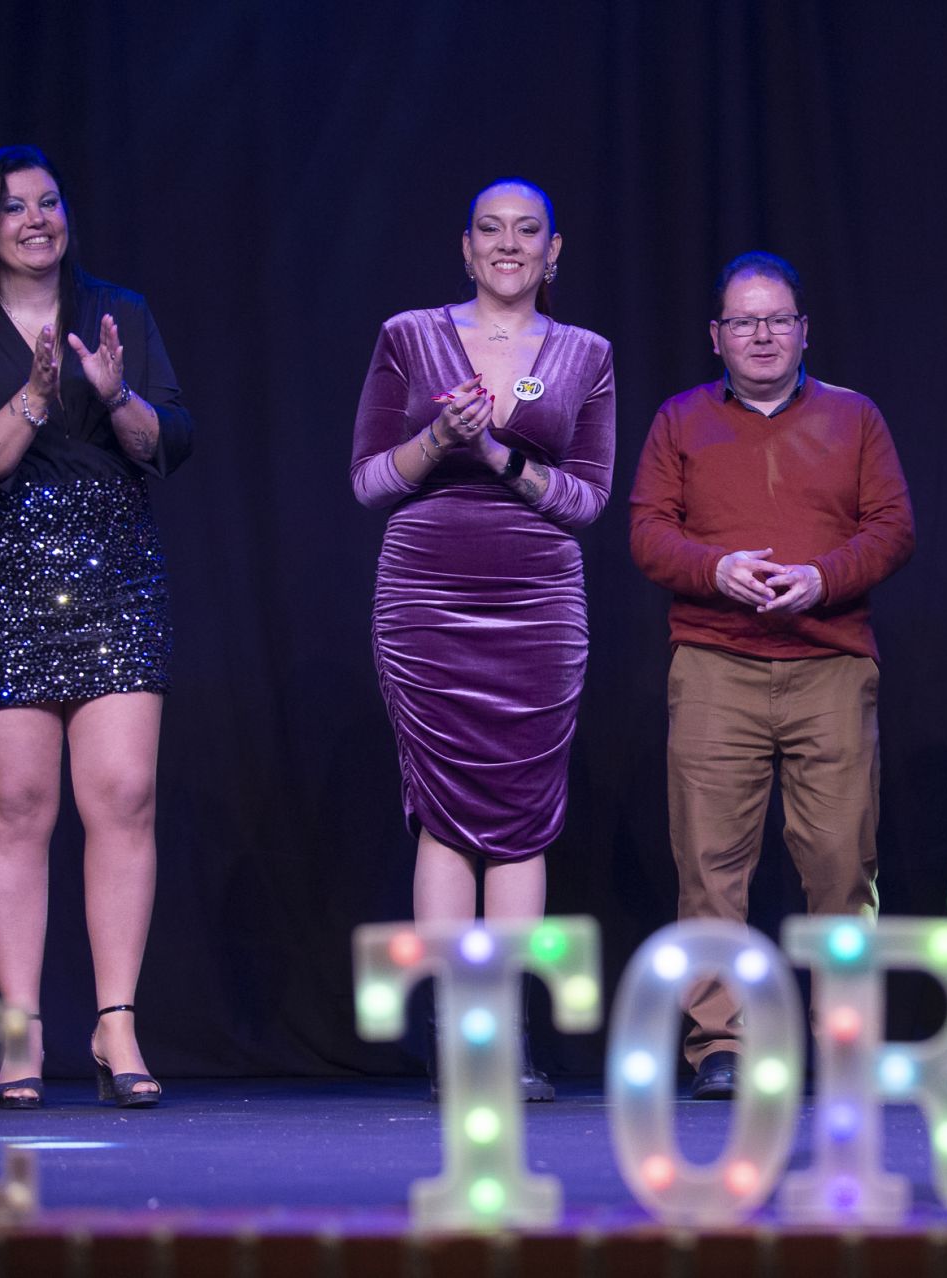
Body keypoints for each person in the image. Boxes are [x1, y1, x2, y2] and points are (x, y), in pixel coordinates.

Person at [0, 145, 195, 1108]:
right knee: (16, 806)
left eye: (50, 202)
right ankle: (20, 1032)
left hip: (113, 568)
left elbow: (172, 443)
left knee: (124, 792)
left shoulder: (120, 310)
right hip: (1, 577)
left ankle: (116, 1022)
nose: (38, 219)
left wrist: (114, 396)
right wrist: (34, 397)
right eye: (15, 207)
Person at [350, 177, 615, 1101]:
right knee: (441, 810)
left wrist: (498, 451)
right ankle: (457, 1038)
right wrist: (438, 440)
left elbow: (587, 500)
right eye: (491, 230)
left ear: (554, 251)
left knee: (522, 814)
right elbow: (370, 482)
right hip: (425, 597)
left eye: (528, 231)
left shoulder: (587, 354)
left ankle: (504, 1037)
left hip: (538, 602)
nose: (509, 245)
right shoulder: (408, 336)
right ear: (465, 247)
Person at [628, 252, 915, 1100]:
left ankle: (845, 1042)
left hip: (829, 663)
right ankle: (721, 1045)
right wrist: (716, 570)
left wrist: (822, 578)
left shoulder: (855, 417)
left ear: (803, 331)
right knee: (710, 866)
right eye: (744, 321)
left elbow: (894, 527)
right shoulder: (678, 420)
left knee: (839, 862)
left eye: (777, 319)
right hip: (715, 663)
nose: (761, 334)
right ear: (716, 336)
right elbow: (646, 532)